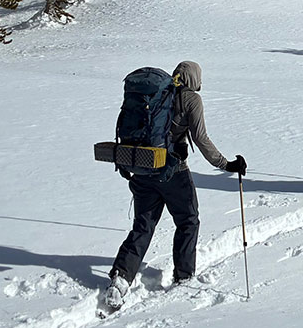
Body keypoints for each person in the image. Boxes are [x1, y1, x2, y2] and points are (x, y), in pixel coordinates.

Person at [104, 61, 246, 311]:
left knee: (143, 226)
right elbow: (201, 138)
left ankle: (120, 280)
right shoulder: (191, 99)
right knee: (188, 220)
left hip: (142, 167)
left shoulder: (160, 94)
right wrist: (227, 165)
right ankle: (183, 276)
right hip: (173, 172)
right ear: (195, 79)